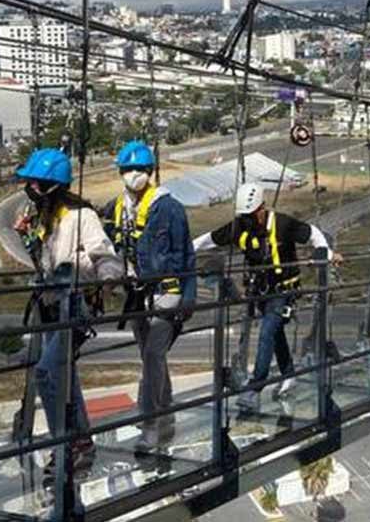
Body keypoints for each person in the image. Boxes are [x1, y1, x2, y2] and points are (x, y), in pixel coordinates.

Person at [12, 148, 122, 481]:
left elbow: (105, 254)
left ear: (51, 185)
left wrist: (107, 278)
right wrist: (26, 235)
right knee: (64, 375)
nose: (29, 187)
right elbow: (44, 258)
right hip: (50, 304)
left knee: (48, 372)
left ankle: (66, 441)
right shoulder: (47, 213)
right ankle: (81, 439)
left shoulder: (80, 215)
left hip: (76, 304)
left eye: (35, 182)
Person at [192, 182, 338, 413]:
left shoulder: (283, 224)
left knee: (267, 333)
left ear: (262, 208)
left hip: (284, 291)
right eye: (244, 217)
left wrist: (326, 253)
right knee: (275, 333)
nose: (248, 222)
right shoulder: (240, 226)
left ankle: (255, 386)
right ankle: (288, 373)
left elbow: (313, 235)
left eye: (251, 216)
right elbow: (211, 239)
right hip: (260, 292)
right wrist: (185, 251)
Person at [101, 140, 196, 455]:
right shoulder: (117, 208)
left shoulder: (168, 208)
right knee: (149, 356)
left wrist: (188, 298)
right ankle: (165, 403)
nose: (134, 175)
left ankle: (150, 424)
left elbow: (186, 255)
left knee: (153, 356)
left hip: (167, 293)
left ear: (151, 172)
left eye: (139, 169)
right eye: (128, 169)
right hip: (137, 295)